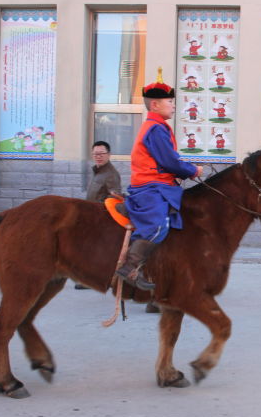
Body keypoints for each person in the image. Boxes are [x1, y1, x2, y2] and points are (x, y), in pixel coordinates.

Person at [115, 70, 203, 291]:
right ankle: (129, 268)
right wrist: (192, 170)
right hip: (150, 188)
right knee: (158, 227)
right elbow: (170, 162)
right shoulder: (155, 128)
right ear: (155, 105)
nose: (174, 106)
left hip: (159, 186)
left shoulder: (158, 127)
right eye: (170, 102)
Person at [76, 141, 122, 289]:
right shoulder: (98, 171)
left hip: (101, 219)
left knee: (93, 251)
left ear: (109, 155)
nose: (98, 156)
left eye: (102, 154)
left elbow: (115, 198)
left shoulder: (111, 174)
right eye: (96, 154)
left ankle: (92, 280)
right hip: (91, 218)